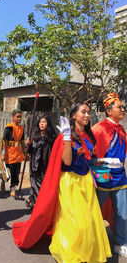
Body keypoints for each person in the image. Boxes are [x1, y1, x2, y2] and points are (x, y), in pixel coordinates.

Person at [12, 102, 111, 263]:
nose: (87, 115)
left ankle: (84, 252)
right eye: (83, 112)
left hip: (86, 182)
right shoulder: (66, 136)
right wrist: (66, 137)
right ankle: (70, 252)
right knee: (77, 222)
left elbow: (91, 157)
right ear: (73, 115)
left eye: (88, 112)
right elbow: (66, 160)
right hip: (70, 183)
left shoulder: (89, 135)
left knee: (90, 221)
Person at [92, 93, 127, 258]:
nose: (123, 109)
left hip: (120, 175)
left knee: (122, 212)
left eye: (123, 107)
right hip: (103, 175)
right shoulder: (99, 128)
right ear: (108, 110)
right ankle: (90, 239)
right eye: (119, 107)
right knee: (94, 209)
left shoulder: (121, 129)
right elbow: (90, 152)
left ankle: (120, 243)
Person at [25, 115, 57, 208]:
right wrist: (28, 145)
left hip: (46, 165)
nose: (41, 124)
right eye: (40, 122)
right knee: (34, 182)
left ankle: (35, 200)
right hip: (35, 165)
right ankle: (35, 201)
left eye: (44, 122)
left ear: (48, 124)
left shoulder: (52, 138)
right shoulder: (35, 136)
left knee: (43, 184)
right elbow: (30, 151)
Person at [0, 109, 26, 198]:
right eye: (17, 117)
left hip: (17, 153)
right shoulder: (9, 128)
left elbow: (22, 141)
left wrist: (25, 151)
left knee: (16, 173)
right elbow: (4, 141)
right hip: (8, 153)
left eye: (20, 117)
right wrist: (2, 153)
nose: (19, 119)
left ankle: (13, 190)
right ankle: (3, 182)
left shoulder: (21, 129)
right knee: (7, 171)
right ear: (13, 117)